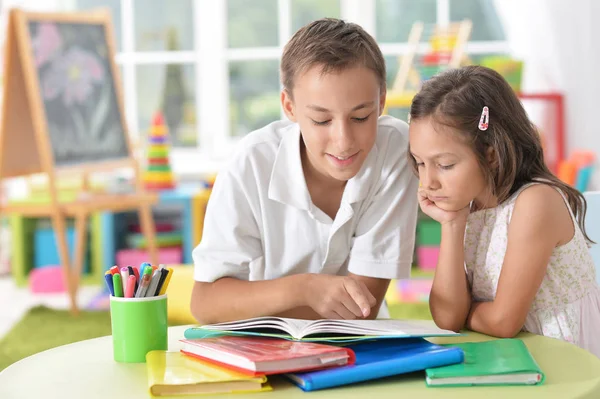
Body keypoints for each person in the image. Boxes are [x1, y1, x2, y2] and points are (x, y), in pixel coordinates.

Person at [190, 18, 419, 324]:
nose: (344, 141)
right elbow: (205, 304)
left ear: (381, 102)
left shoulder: (395, 151)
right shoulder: (251, 163)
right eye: (322, 121)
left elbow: (364, 307)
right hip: (266, 347)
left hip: (358, 346)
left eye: (361, 117)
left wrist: (252, 306)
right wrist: (303, 288)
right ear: (290, 107)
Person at [409, 65, 600, 357]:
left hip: (566, 354)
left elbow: (504, 321)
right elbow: (447, 319)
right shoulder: (469, 206)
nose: (428, 182)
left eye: (444, 165)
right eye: (420, 163)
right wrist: (451, 224)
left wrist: (465, 314)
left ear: (491, 154)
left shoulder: (536, 202)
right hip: (508, 356)